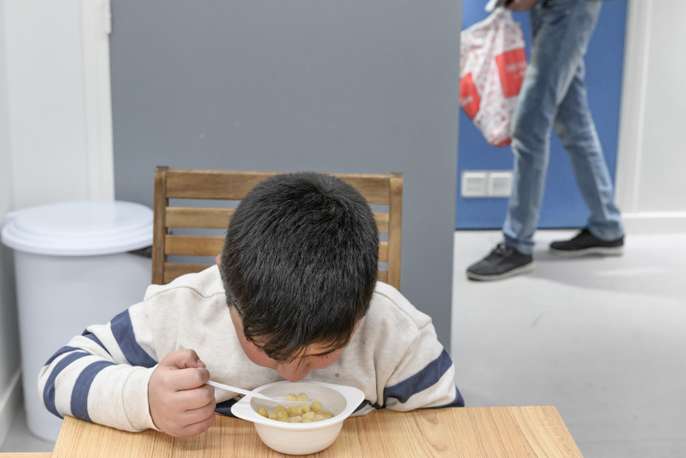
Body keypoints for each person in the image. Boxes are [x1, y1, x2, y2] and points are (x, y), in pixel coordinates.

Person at [38, 173, 463, 437]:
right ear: (226, 284)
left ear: (363, 307)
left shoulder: (396, 332)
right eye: (268, 349)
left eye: (323, 353)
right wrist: (146, 398)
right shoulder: (184, 312)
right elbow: (56, 374)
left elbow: (446, 430)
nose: (289, 375)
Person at [467, 0, 625, 281]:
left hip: (567, 7)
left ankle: (517, 244)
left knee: (529, 125)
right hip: (556, 9)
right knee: (574, 121)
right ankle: (606, 227)